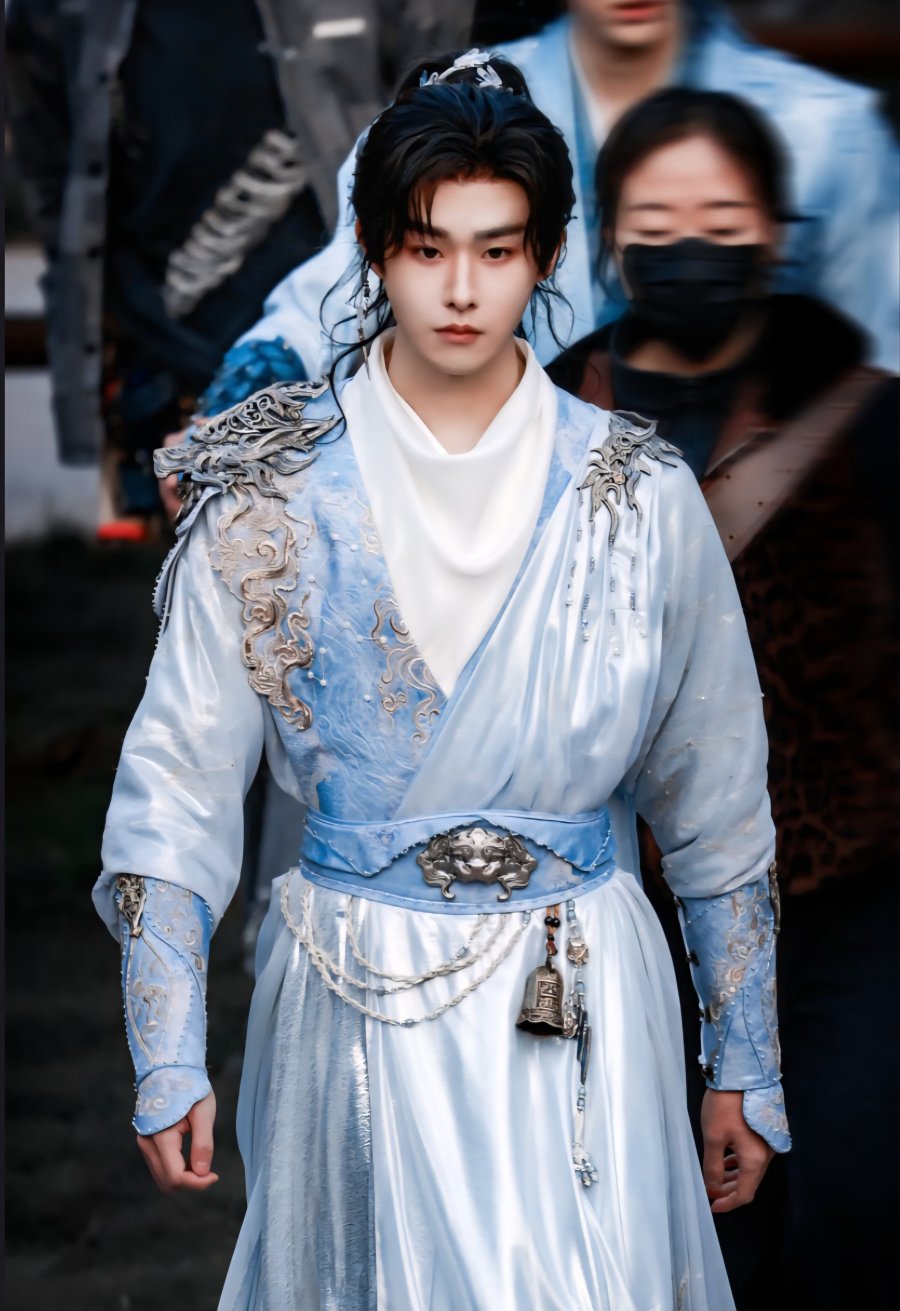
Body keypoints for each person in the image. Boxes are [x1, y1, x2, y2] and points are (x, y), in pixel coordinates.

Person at [96, 54, 789, 1311]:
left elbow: (717, 793)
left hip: (584, 989)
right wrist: (167, 1047)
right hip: (354, 1000)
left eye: (497, 250)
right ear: (372, 250)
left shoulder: (640, 495)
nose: (462, 290)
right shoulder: (269, 492)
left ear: (547, 255)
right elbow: (178, 781)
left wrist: (744, 1059)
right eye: (427, 249)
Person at [548, 86, 900, 1311]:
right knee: (686, 1226)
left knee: (857, 1197)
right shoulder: (547, 418)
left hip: (848, 893)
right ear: (611, 238)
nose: (689, 244)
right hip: (630, 901)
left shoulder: (866, 417)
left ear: (771, 230)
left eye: (720, 216)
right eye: (657, 221)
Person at [195, 0, 898, 426]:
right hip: (516, 522)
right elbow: (336, 298)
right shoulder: (460, 103)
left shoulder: (825, 129)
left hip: (768, 530)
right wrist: (238, 407)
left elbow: (880, 362)